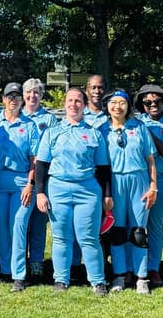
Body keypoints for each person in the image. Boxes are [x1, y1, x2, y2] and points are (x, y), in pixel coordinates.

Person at [34, 87, 112, 294]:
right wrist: (40, 192)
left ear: (84, 105)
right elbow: (41, 164)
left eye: (78, 100)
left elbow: (103, 168)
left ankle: (97, 280)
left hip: (87, 190)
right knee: (61, 236)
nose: (74, 104)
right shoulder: (52, 133)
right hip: (58, 189)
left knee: (89, 237)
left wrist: (107, 194)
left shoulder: (94, 134)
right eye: (70, 100)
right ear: (64, 104)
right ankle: (61, 279)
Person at [100, 89, 157, 294]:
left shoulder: (139, 127)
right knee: (117, 231)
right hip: (115, 183)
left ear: (128, 106)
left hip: (138, 180)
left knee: (138, 232)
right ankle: (120, 275)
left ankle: (142, 277)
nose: (118, 106)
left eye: (122, 102)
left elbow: (150, 160)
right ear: (107, 106)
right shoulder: (101, 130)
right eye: (113, 102)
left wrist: (153, 187)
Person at [0, 82, 39, 291]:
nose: (14, 100)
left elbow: (34, 159)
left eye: (17, 96)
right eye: (10, 96)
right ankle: (5, 269)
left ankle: (19, 274)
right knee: (1, 227)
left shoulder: (30, 125)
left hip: (21, 182)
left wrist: (30, 184)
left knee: (18, 225)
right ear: (3, 99)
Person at [134, 83, 163, 287]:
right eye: (147, 102)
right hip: (137, 180)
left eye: (157, 101)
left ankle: (153, 268)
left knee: (155, 226)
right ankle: (135, 267)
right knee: (136, 226)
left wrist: (147, 132)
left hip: (161, 178)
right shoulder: (135, 122)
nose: (152, 105)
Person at [23, 77, 55, 278]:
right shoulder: (17, 117)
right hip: (22, 178)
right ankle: (19, 261)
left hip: (43, 179)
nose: (32, 96)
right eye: (29, 92)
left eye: (36, 92)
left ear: (41, 96)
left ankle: (36, 261)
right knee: (20, 223)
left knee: (38, 223)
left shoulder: (50, 120)